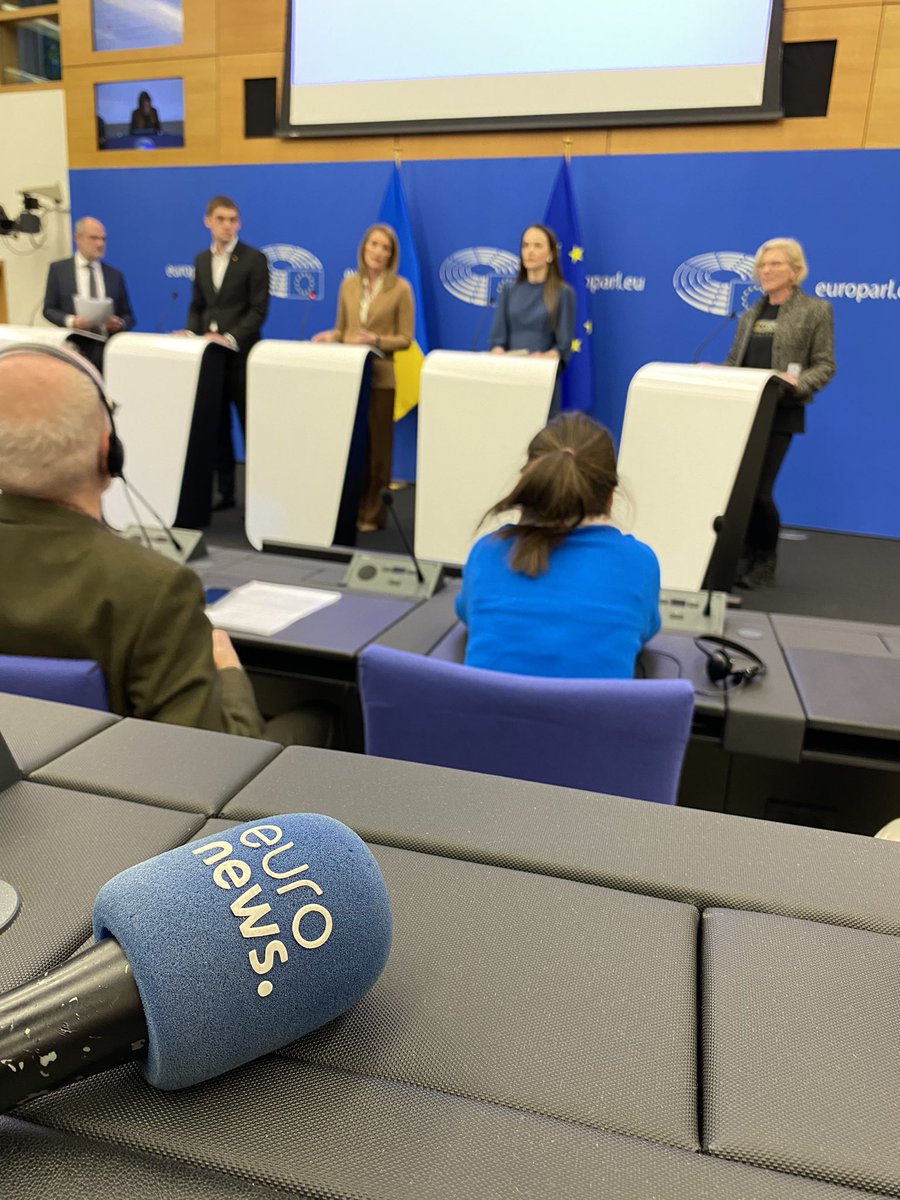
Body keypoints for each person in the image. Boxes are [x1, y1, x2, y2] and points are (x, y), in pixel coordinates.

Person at [0, 344, 263, 736]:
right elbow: (205, 767)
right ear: (109, 453)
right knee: (315, 717)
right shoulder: (155, 589)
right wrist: (230, 676)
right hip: (111, 796)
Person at [455, 412, 660, 678]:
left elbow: (467, 614)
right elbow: (644, 630)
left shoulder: (486, 553)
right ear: (611, 497)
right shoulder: (640, 564)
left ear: (531, 482)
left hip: (490, 719)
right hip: (596, 721)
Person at [724, 237, 835, 589]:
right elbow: (734, 360)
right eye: (762, 265)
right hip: (743, 412)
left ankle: (765, 559)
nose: (766, 271)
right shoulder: (750, 313)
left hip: (780, 411)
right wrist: (715, 372)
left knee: (759, 492)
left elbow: (825, 365)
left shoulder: (816, 310)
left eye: (775, 264)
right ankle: (740, 556)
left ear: (796, 270)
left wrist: (797, 382)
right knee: (737, 490)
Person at [312, 224, 413, 532]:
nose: (378, 252)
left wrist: (377, 341)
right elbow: (343, 329)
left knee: (378, 451)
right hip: (350, 376)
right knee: (353, 446)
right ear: (364, 248)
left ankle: (373, 513)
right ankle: (350, 507)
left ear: (392, 255)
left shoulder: (401, 289)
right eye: (374, 245)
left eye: (385, 248)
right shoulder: (349, 286)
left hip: (382, 378)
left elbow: (405, 338)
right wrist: (333, 336)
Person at [183, 195, 270, 511]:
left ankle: (261, 494)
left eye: (233, 219)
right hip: (209, 356)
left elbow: (258, 310)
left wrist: (230, 337)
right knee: (217, 426)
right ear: (208, 221)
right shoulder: (201, 260)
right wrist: (192, 333)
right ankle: (226, 491)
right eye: (221, 219)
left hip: (242, 356)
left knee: (251, 424)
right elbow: (198, 305)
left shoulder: (253, 259)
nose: (227, 225)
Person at [489, 223, 576, 416]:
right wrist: (498, 355)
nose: (530, 251)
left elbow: (563, 347)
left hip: (541, 378)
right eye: (525, 245)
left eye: (537, 246)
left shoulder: (563, 293)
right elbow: (497, 340)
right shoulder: (508, 291)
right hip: (509, 377)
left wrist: (542, 359)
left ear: (550, 254)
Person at [42, 217, 135, 370]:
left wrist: (119, 324)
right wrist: (72, 322)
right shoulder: (59, 270)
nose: (100, 244)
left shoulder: (114, 275)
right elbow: (48, 310)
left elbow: (129, 316)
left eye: (103, 239)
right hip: (72, 349)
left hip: (107, 353)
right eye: (94, 238)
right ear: (77, 238)